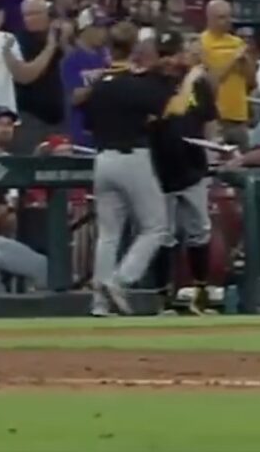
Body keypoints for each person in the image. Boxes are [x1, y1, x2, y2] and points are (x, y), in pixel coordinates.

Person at [80, 21, 172, 315]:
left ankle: (99, 303)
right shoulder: (135, 83)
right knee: (156, 226)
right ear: (133, 49)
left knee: (109, 234)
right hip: (132, 156)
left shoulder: (97, 86)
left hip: (102, 159)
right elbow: (165, 107)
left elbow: (89, 123)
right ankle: (121, 280)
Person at [148, 31, 220, 313]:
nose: (170, 59)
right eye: (165, 53)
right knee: (163, 234)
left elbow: (209, 120)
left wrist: (213, 156)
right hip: (160, 166)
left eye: (174, 52)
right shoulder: (154, 83)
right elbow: (170, 112)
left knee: (199, 230)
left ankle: (200, 294)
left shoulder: (199, 84)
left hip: (193, 165)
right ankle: (163, 298)